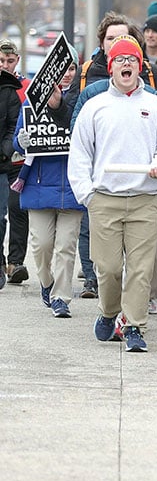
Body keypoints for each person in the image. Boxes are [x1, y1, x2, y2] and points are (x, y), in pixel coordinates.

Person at [68, 36, 157, 352]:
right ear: (111, 67)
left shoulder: (154, 104)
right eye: (120, 59)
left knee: (141, 269)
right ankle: (108, 312)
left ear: (140, 66)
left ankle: (134, 326)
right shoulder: (95, 106)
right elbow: (79, 154)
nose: (127, 64)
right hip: (104, 199)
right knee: (108, 269)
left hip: (144, 200)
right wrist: (87, 195)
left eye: (132, 59)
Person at [12, 55, 83, 317]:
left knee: (66, 246)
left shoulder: (80, 100)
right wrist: (21, 141)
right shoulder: (31, 102)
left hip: (71, 184)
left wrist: (59, 106)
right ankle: (46, 282)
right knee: (41, 245)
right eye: (61, 69)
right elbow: (20, 144)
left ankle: (61, 298)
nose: (66, 73)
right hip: (39, 183)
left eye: (72, 68)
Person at [0, 38, 27, 286]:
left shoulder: (25, 86)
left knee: (18, 210)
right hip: (3, 157)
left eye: (9, 60)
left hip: (18, 161)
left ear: (17, 60)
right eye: (1, 61)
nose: (6, 65)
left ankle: (16, 262)